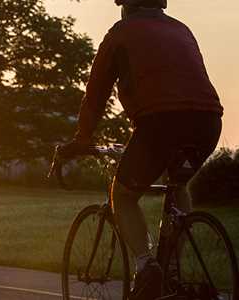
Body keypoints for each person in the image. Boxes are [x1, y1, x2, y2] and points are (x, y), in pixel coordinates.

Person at [59, 0, 223, 299]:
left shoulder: (120, 33)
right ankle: (172, 266)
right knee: (178, 183)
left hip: (161, 123)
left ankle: (147, 267)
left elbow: (95, 95)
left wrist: (81, 139)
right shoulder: (182, 29)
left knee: (122, 194)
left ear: (125, 6)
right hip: (208, 122)